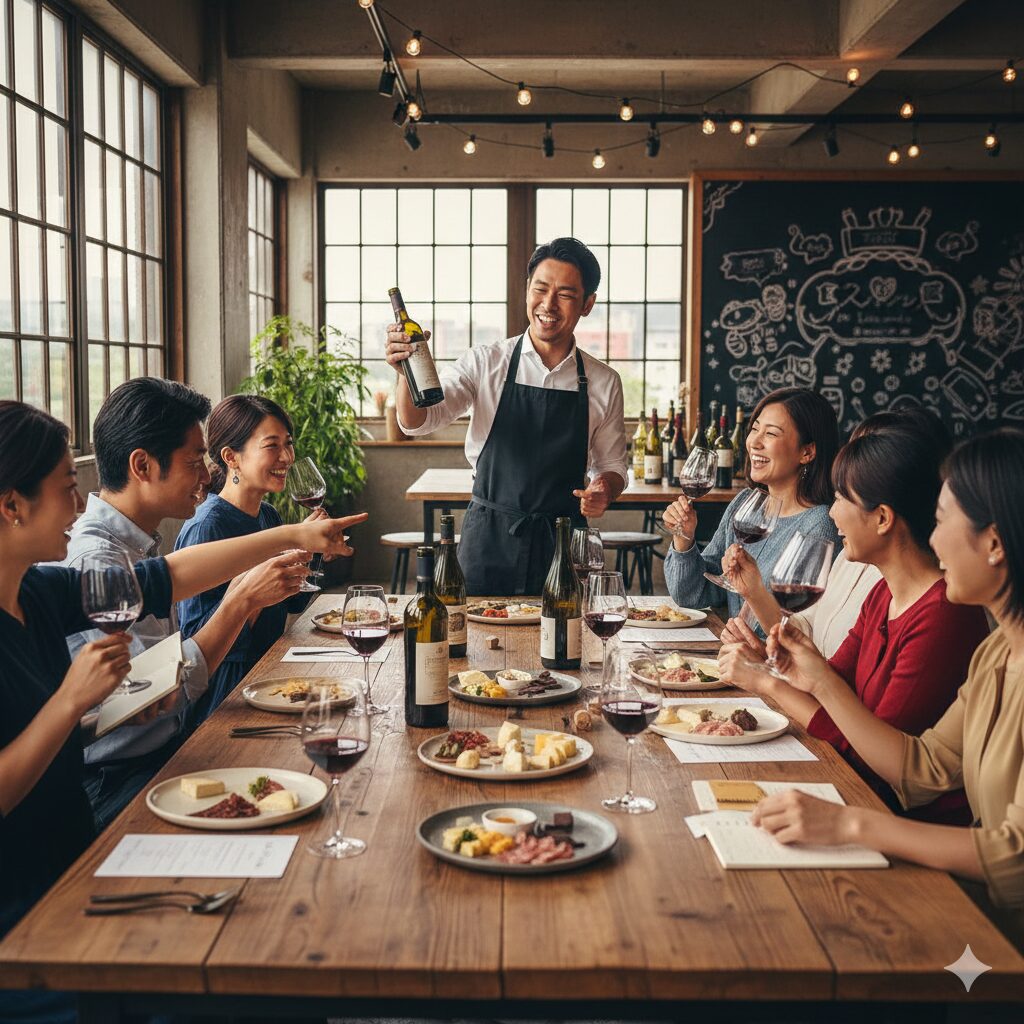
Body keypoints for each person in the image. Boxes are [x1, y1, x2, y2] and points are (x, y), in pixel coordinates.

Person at [0, 401, 364, 1019]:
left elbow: (166, 576)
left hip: (78, 862)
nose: (79, 498)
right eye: (67, 485)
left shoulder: (36, 590)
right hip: (31, 917)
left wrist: (297, 534)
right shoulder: (70, 567)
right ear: (12, 504)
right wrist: (69, 702)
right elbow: (108, 714)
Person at [752, 429, 1024, 948]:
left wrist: (852, 826)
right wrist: (814, 676)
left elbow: (1013, 860)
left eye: (943, 522)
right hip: (972, 901)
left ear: (993, 543)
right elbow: (923, 769)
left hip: (995, 934)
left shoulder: (952, 621)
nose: (934, 537)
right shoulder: (996, 654)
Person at [63, 379, 313, 828]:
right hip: (123, 780)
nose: (206, 475)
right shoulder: (97, 559)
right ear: (142, 465)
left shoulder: (137, 545)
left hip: (164, 753)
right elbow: (151, 694)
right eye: (194, 461)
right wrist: (241, 600)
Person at [720, 415, 989, 821]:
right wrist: (781, 666)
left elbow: (871, 756)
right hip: (862, 797)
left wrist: (765, 680)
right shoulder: (884, 593)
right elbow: (833, 683)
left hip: (902, 821)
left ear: (882, 518)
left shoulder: (943, 615)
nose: (832, 515)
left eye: (842, 499)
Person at [385, 237, 629, 595]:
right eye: (540, 289)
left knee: (564, 648)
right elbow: (420, 421)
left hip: (564, 548)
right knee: (474, 647)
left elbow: (613, 466)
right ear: (527, 290)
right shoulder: (486, 362)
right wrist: (403, 373)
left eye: (564, 294)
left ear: (587, 304)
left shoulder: (604, 381)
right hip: (488, 541)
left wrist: (604, 489)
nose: (548, 304)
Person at [719, 408, 952, 659]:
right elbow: (808, 637)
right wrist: (755, 598)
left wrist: (766, 670)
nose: (832, 512)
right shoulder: (851, 561)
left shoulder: (906, 590)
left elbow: (837, 683)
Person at [174, 395, 322, 723]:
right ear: (232, 457)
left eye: (289, 444)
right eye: (272, 446)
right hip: (224, 701)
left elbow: (291, 606)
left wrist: (309, 553)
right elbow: (195, 647)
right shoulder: (207, 525)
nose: (286, 457)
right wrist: (252, 595)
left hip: (268, 678)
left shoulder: (266, 515)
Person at [663, 387, 840, 621]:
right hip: (732, 652)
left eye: (771, 434)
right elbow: (694, 595)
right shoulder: (746, 504)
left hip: (766, 656)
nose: (754, 442)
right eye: (755, 429)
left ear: (807, 452)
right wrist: (683, 539)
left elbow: (801, 628)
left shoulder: (820, 525)